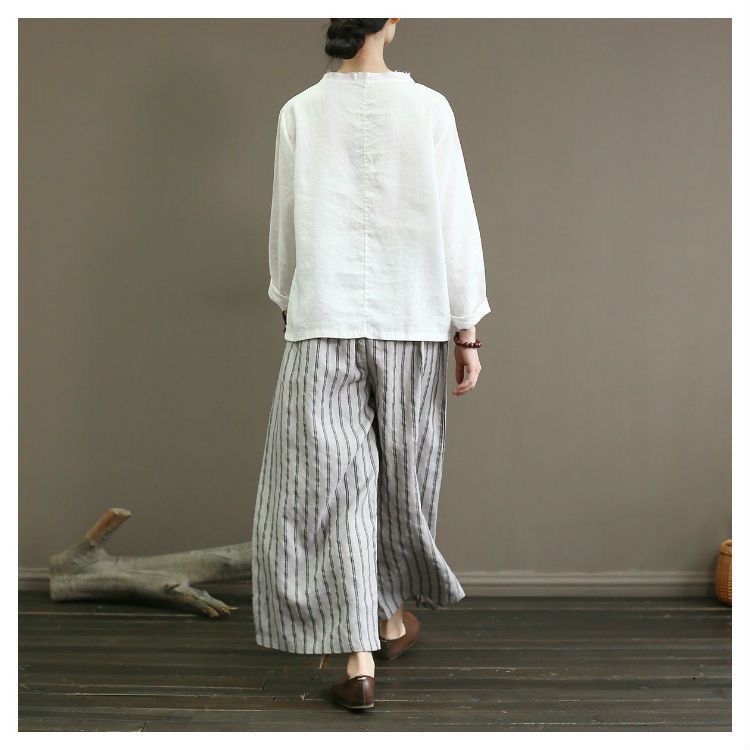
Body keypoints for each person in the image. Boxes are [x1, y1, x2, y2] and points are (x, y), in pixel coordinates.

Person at [250, 18, 491, 711]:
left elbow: (285, 225)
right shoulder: (429, 108)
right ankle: (376, 629)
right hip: (412, 322)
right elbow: (456, 222)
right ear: (392, 18)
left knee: (331, 491)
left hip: (323, 321)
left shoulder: (300, 111)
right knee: (399, 486)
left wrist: (289, 302)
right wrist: (466, 329)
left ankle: (369, 644)